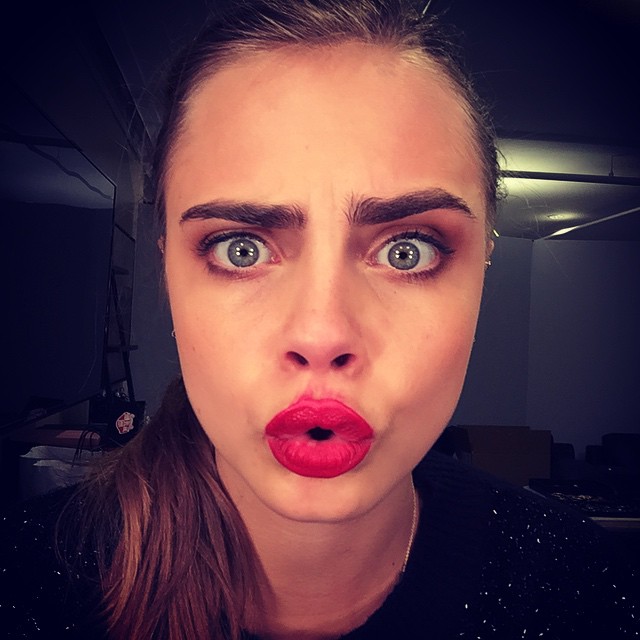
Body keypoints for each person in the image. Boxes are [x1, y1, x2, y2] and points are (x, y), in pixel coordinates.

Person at [1, 1, 638, 638]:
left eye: (407, 250)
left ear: (482, 269)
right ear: (169, 269)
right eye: (241, 248)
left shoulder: (587, 591)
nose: (322, 335)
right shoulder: (25, 582)